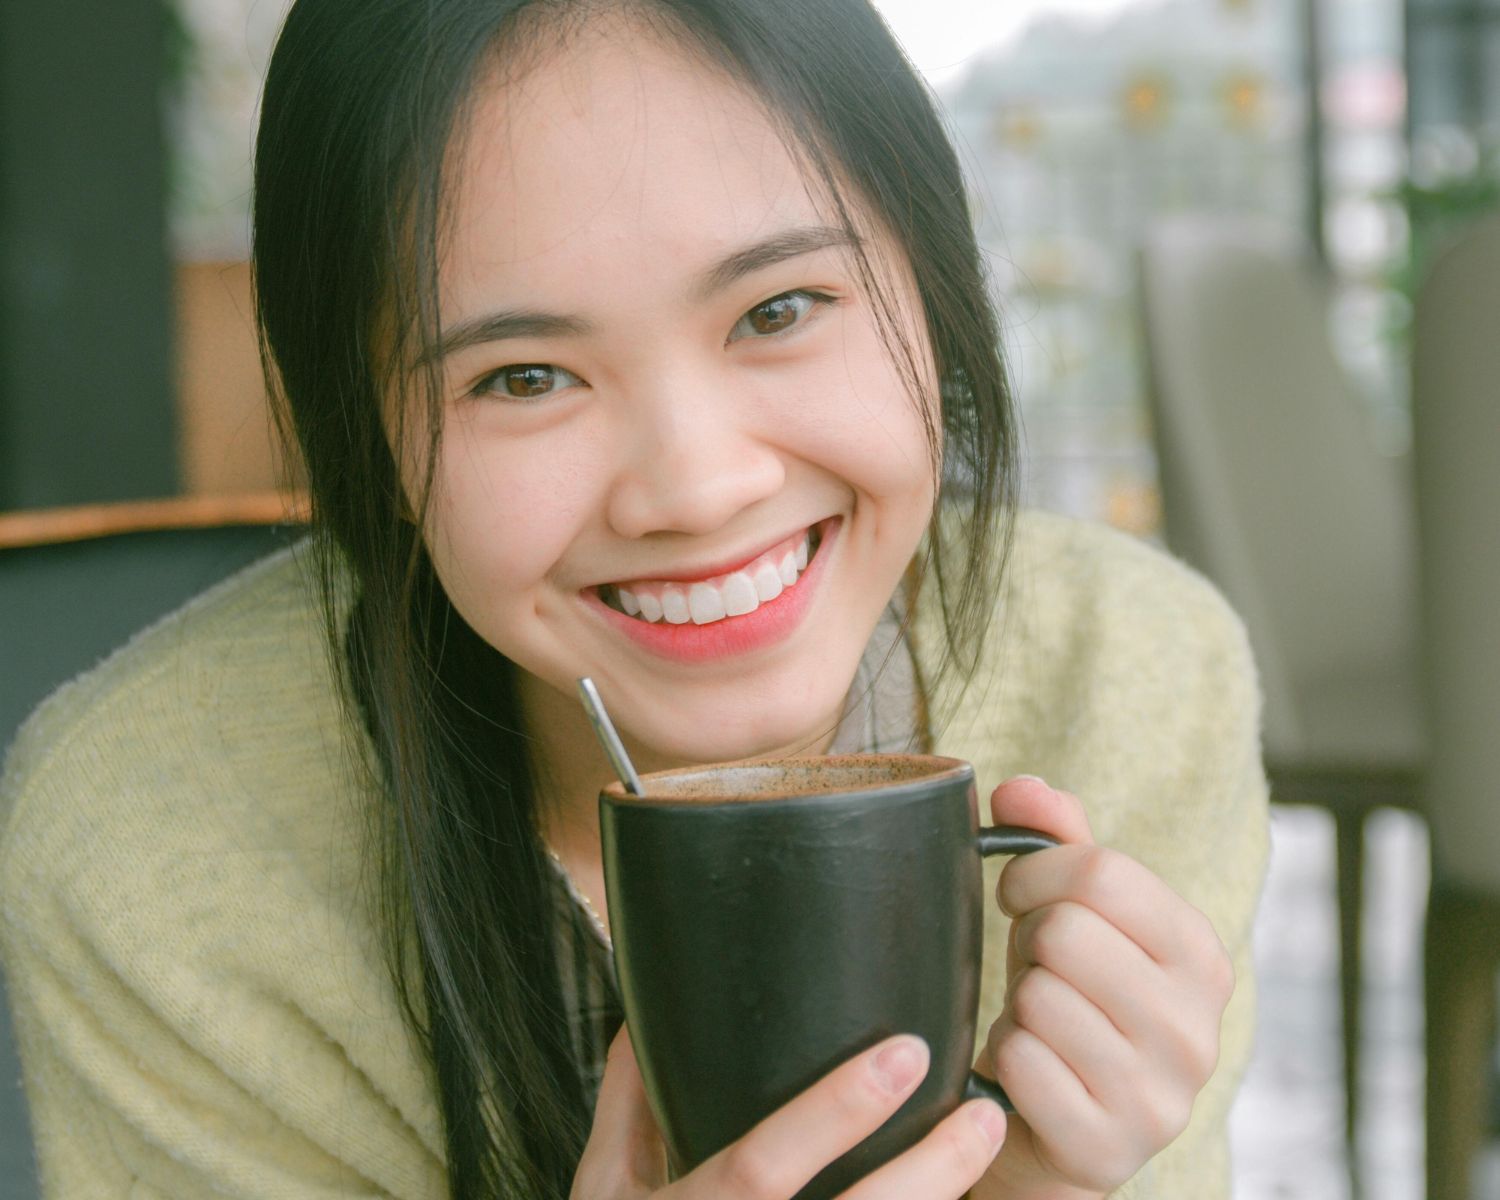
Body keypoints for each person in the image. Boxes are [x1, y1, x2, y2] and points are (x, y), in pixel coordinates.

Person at [0, 0, 1268, 1196]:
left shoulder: (1130, 672)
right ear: (369, 441)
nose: (698, 488)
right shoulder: (145, 846)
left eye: (780, 308)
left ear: (933, 292)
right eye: (525, 377)